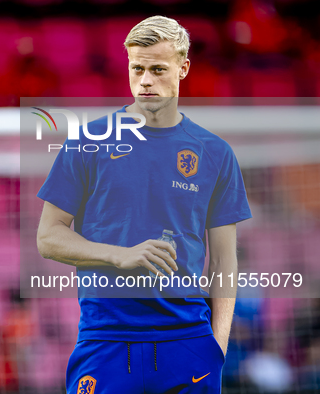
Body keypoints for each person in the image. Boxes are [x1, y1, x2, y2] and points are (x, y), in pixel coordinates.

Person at [36, 16, 252, 393]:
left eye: (158, 69)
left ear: (183, 69)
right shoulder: (89, 142)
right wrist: (120, 255)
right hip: (106, 340)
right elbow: (48, 238)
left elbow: (222, 261)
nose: (146, 80)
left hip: (188, 341)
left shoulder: (216, 153)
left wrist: (215, 347)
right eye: (137, 68)